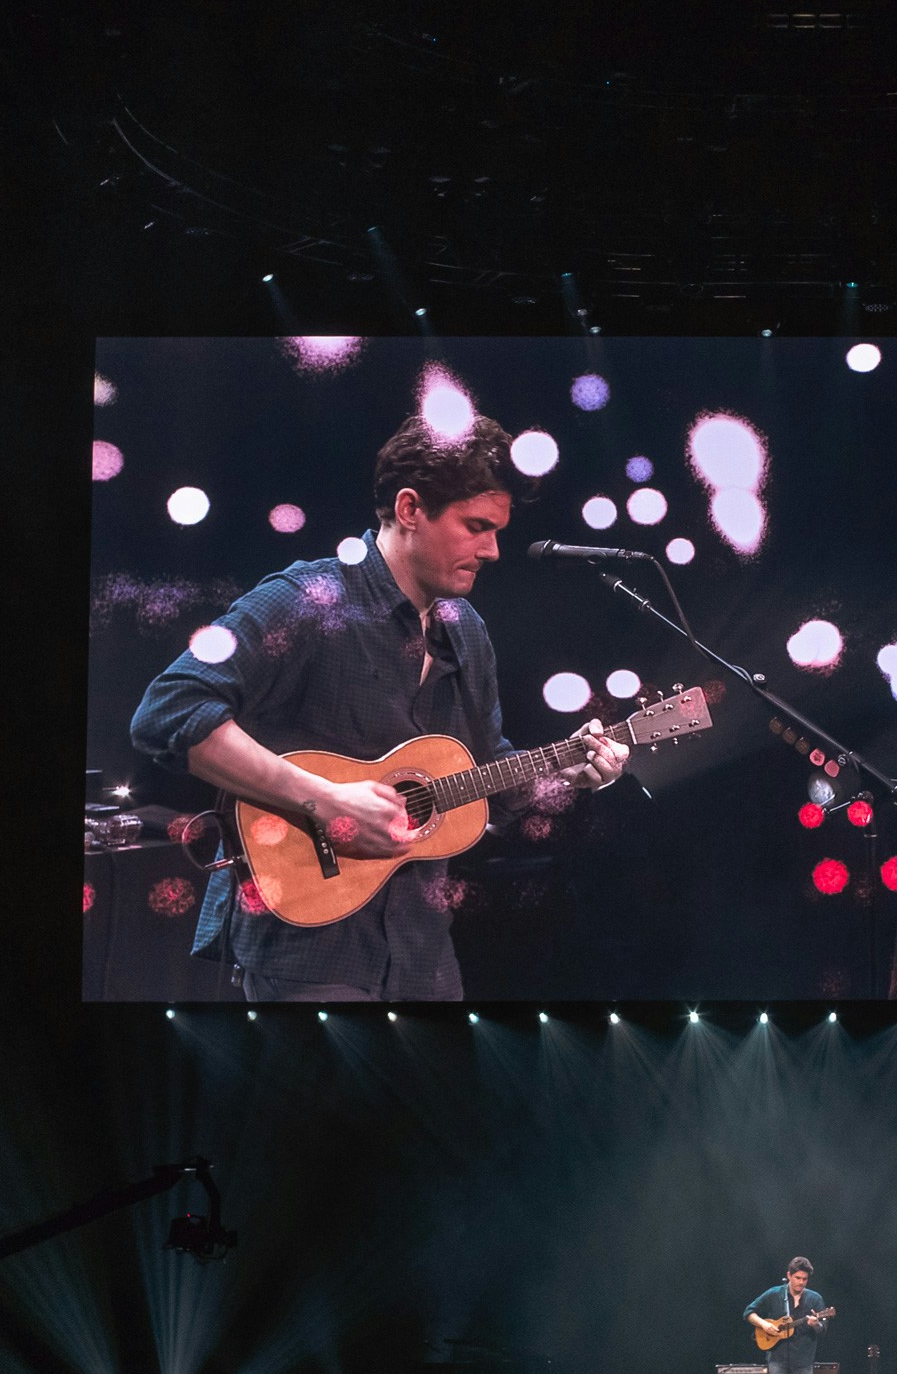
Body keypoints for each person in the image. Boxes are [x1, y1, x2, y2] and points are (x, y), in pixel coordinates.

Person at [130, 412, 627, 1001]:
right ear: (411, 508)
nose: (493, 550)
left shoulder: (467, 631)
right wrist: (330, 801)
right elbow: (167, 712)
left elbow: (493, 776)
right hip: (307, 950)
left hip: (424, 955)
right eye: (475, 526)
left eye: (498, 530)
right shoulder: (309, 601)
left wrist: (567, 772)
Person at [743, 1257, 833, 1374]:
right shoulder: (775, 1294)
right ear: (789, 1275)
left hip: (804, 1360)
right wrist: (764, 1324)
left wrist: (815, 1324)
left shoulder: (815, 1299)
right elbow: (749, 1312)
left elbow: (823, 1330)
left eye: (804, 1279)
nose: (801, 1282)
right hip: (777, 1358)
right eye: (797, 1278)